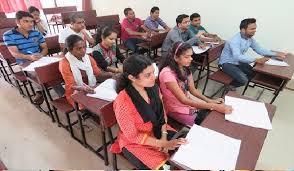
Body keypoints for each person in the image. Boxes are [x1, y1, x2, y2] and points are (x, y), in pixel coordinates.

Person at [110, 55, 187, 169]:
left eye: (153, 72)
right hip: (136, 142)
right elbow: (133, 136)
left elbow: (162, 114)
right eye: (148, 75)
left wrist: (164, 138)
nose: (153, 77)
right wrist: (164, 144)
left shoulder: (153, 88)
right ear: (132, 77)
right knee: (163, 167)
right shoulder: (123, 102)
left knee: (186, 145)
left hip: (158, 129)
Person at [159, 42, 232, 126]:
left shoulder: (185, 68)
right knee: (208, 122)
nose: (191, 59)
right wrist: (214, 106)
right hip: (175, 109)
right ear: (176, 57)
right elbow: (184, 100)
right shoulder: (167, 74)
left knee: (214, 114)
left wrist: (209, 100)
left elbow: (193, 90)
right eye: (187, 57)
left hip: (187, 103)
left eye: (191, 56)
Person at [219, 18, 287, 89]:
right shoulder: (234, 40)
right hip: (226, 63)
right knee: (244, 80)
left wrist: (276, 54)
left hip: (238, 62)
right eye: (252, 29)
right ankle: (229, 86)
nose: (254, 31)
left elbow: (259, 49)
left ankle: (235, 81)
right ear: (243, 30)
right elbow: (237, 56)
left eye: (255, 29)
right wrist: (256, 60)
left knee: (254, 74)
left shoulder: (249, 38)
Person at [3, 11, 49, 104]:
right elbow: (14, 53)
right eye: (26, 21)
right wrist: (29, 57)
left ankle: (48, 89)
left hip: (39, 59)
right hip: (24, 62)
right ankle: (40, 91)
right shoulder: (8, 35)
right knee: (42, 73)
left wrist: (41, 55)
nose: (30, 24)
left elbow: (45, 48)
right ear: (18, 22)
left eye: (31, 21)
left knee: (54, 69)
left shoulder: (36, 33)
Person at [59, 35, 101, 107]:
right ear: (70, 49)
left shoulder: (88, 58)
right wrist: (83, 88)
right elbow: (71, 85)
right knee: (94, 106)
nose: (83, 51)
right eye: (79, 49)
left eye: (84, 47)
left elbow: (97, 73)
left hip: (92, 87)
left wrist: (111, 75)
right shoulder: (64, 63)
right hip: (75, 92)